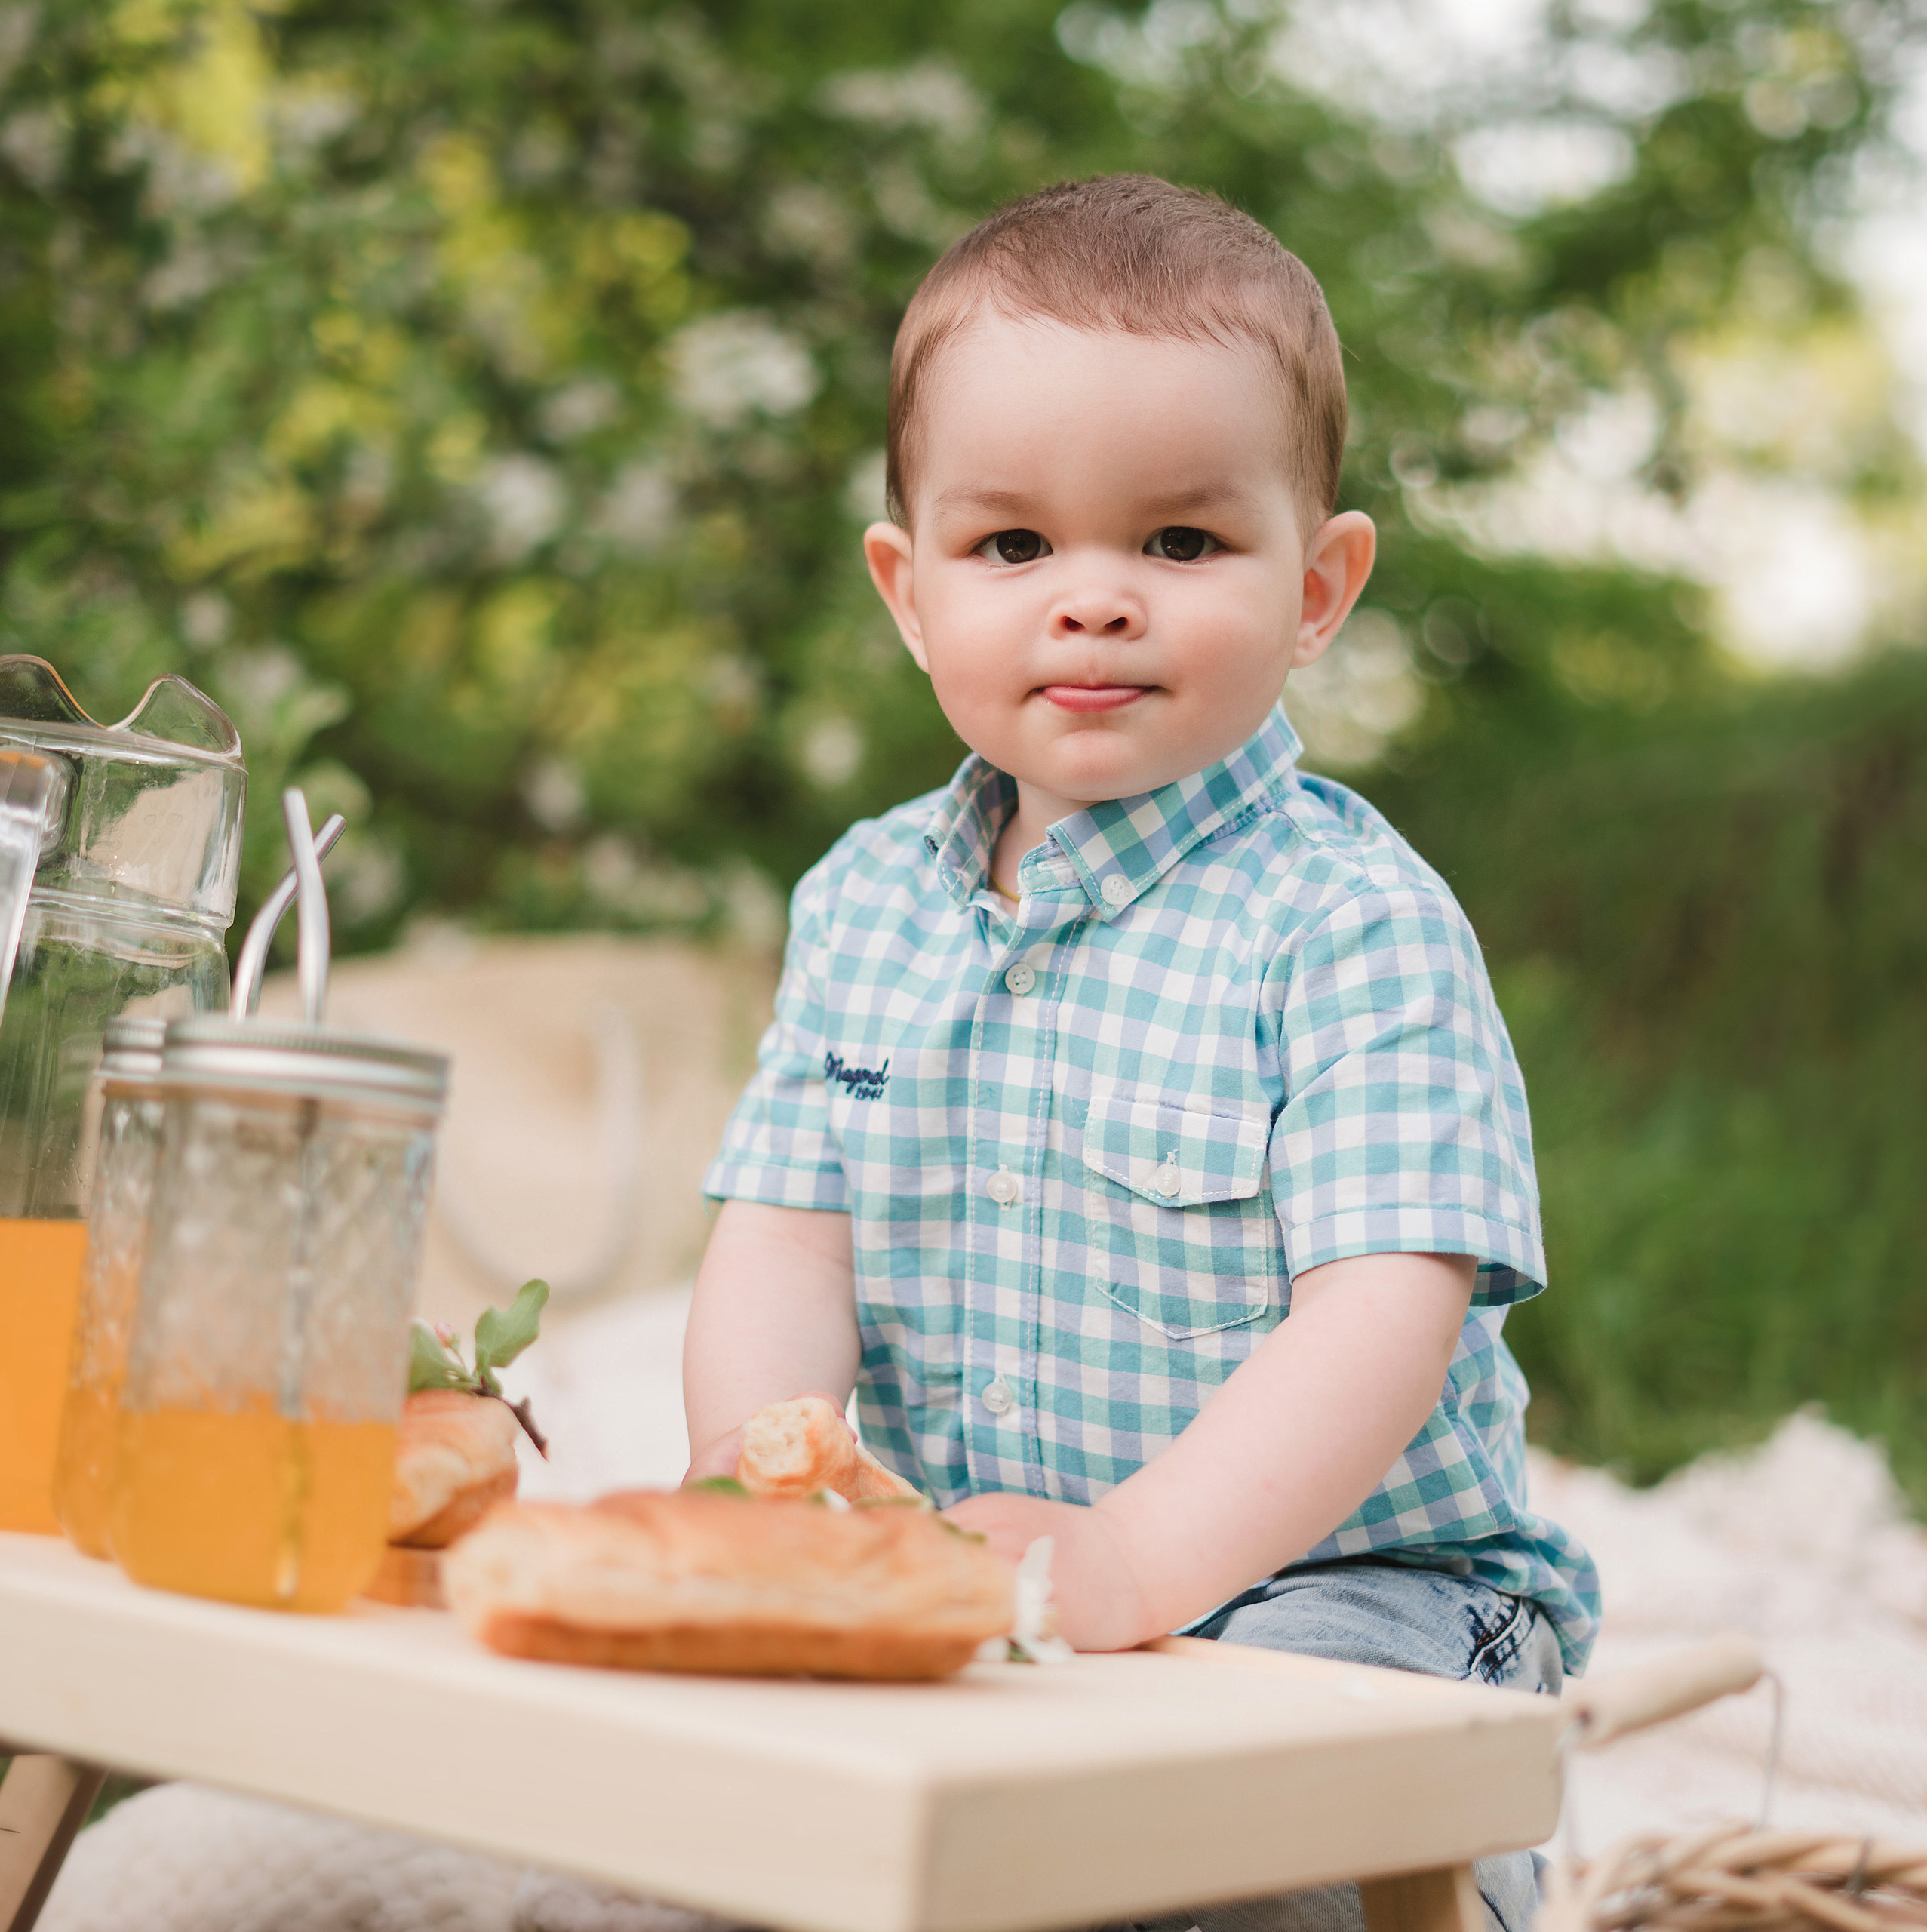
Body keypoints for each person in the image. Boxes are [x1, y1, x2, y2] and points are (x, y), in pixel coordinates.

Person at [685, 174, 1598, 1932]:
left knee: (1242, 1843)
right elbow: (788, 1235)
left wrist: (1134, 1558)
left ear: (1315, 586)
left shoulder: (1347, 923)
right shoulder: (863, 903)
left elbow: (1379, 1315)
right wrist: (755, 1458)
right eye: (1011, 546)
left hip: (1360, 1590)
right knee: (775, 1825)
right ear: (908, 589)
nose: (1091, 599)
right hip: (1002, 1584)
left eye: (1177, 543)